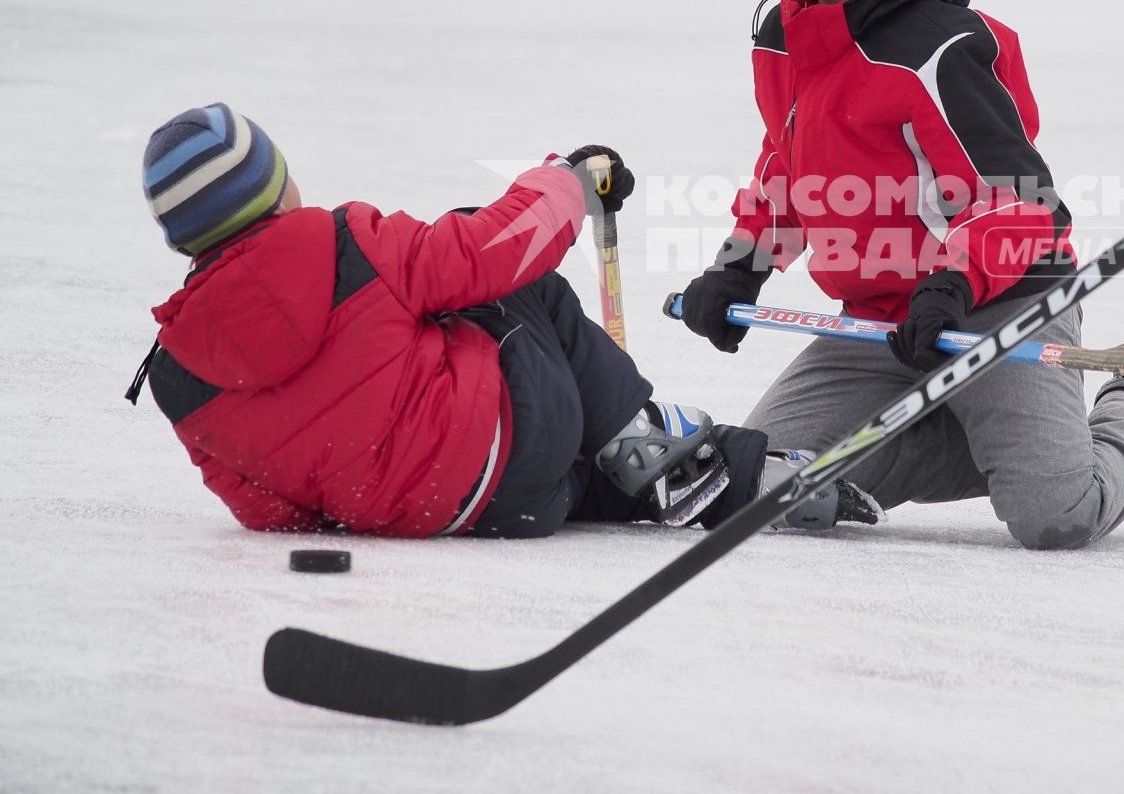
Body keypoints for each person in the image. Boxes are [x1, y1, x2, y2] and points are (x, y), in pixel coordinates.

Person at [677, 0, 1124, 551]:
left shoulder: (938, 50)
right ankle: (998, 437)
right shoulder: (784, 35)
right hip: (883, 316)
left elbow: (1022, 203)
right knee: (776, 479)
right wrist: (740, 267)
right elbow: (785, 167)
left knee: (1055, 515)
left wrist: (953, 281)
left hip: (998, 300)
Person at [129, 103, 873, 538]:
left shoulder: (178, 376)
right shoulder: (344, 245)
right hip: (511, 444)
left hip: (477, 515)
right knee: (509, 289)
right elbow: (494, 249)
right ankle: (679, 457)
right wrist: (569, 182)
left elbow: (262, 508)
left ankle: (661, 472)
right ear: (276, 188)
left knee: (564, 458)